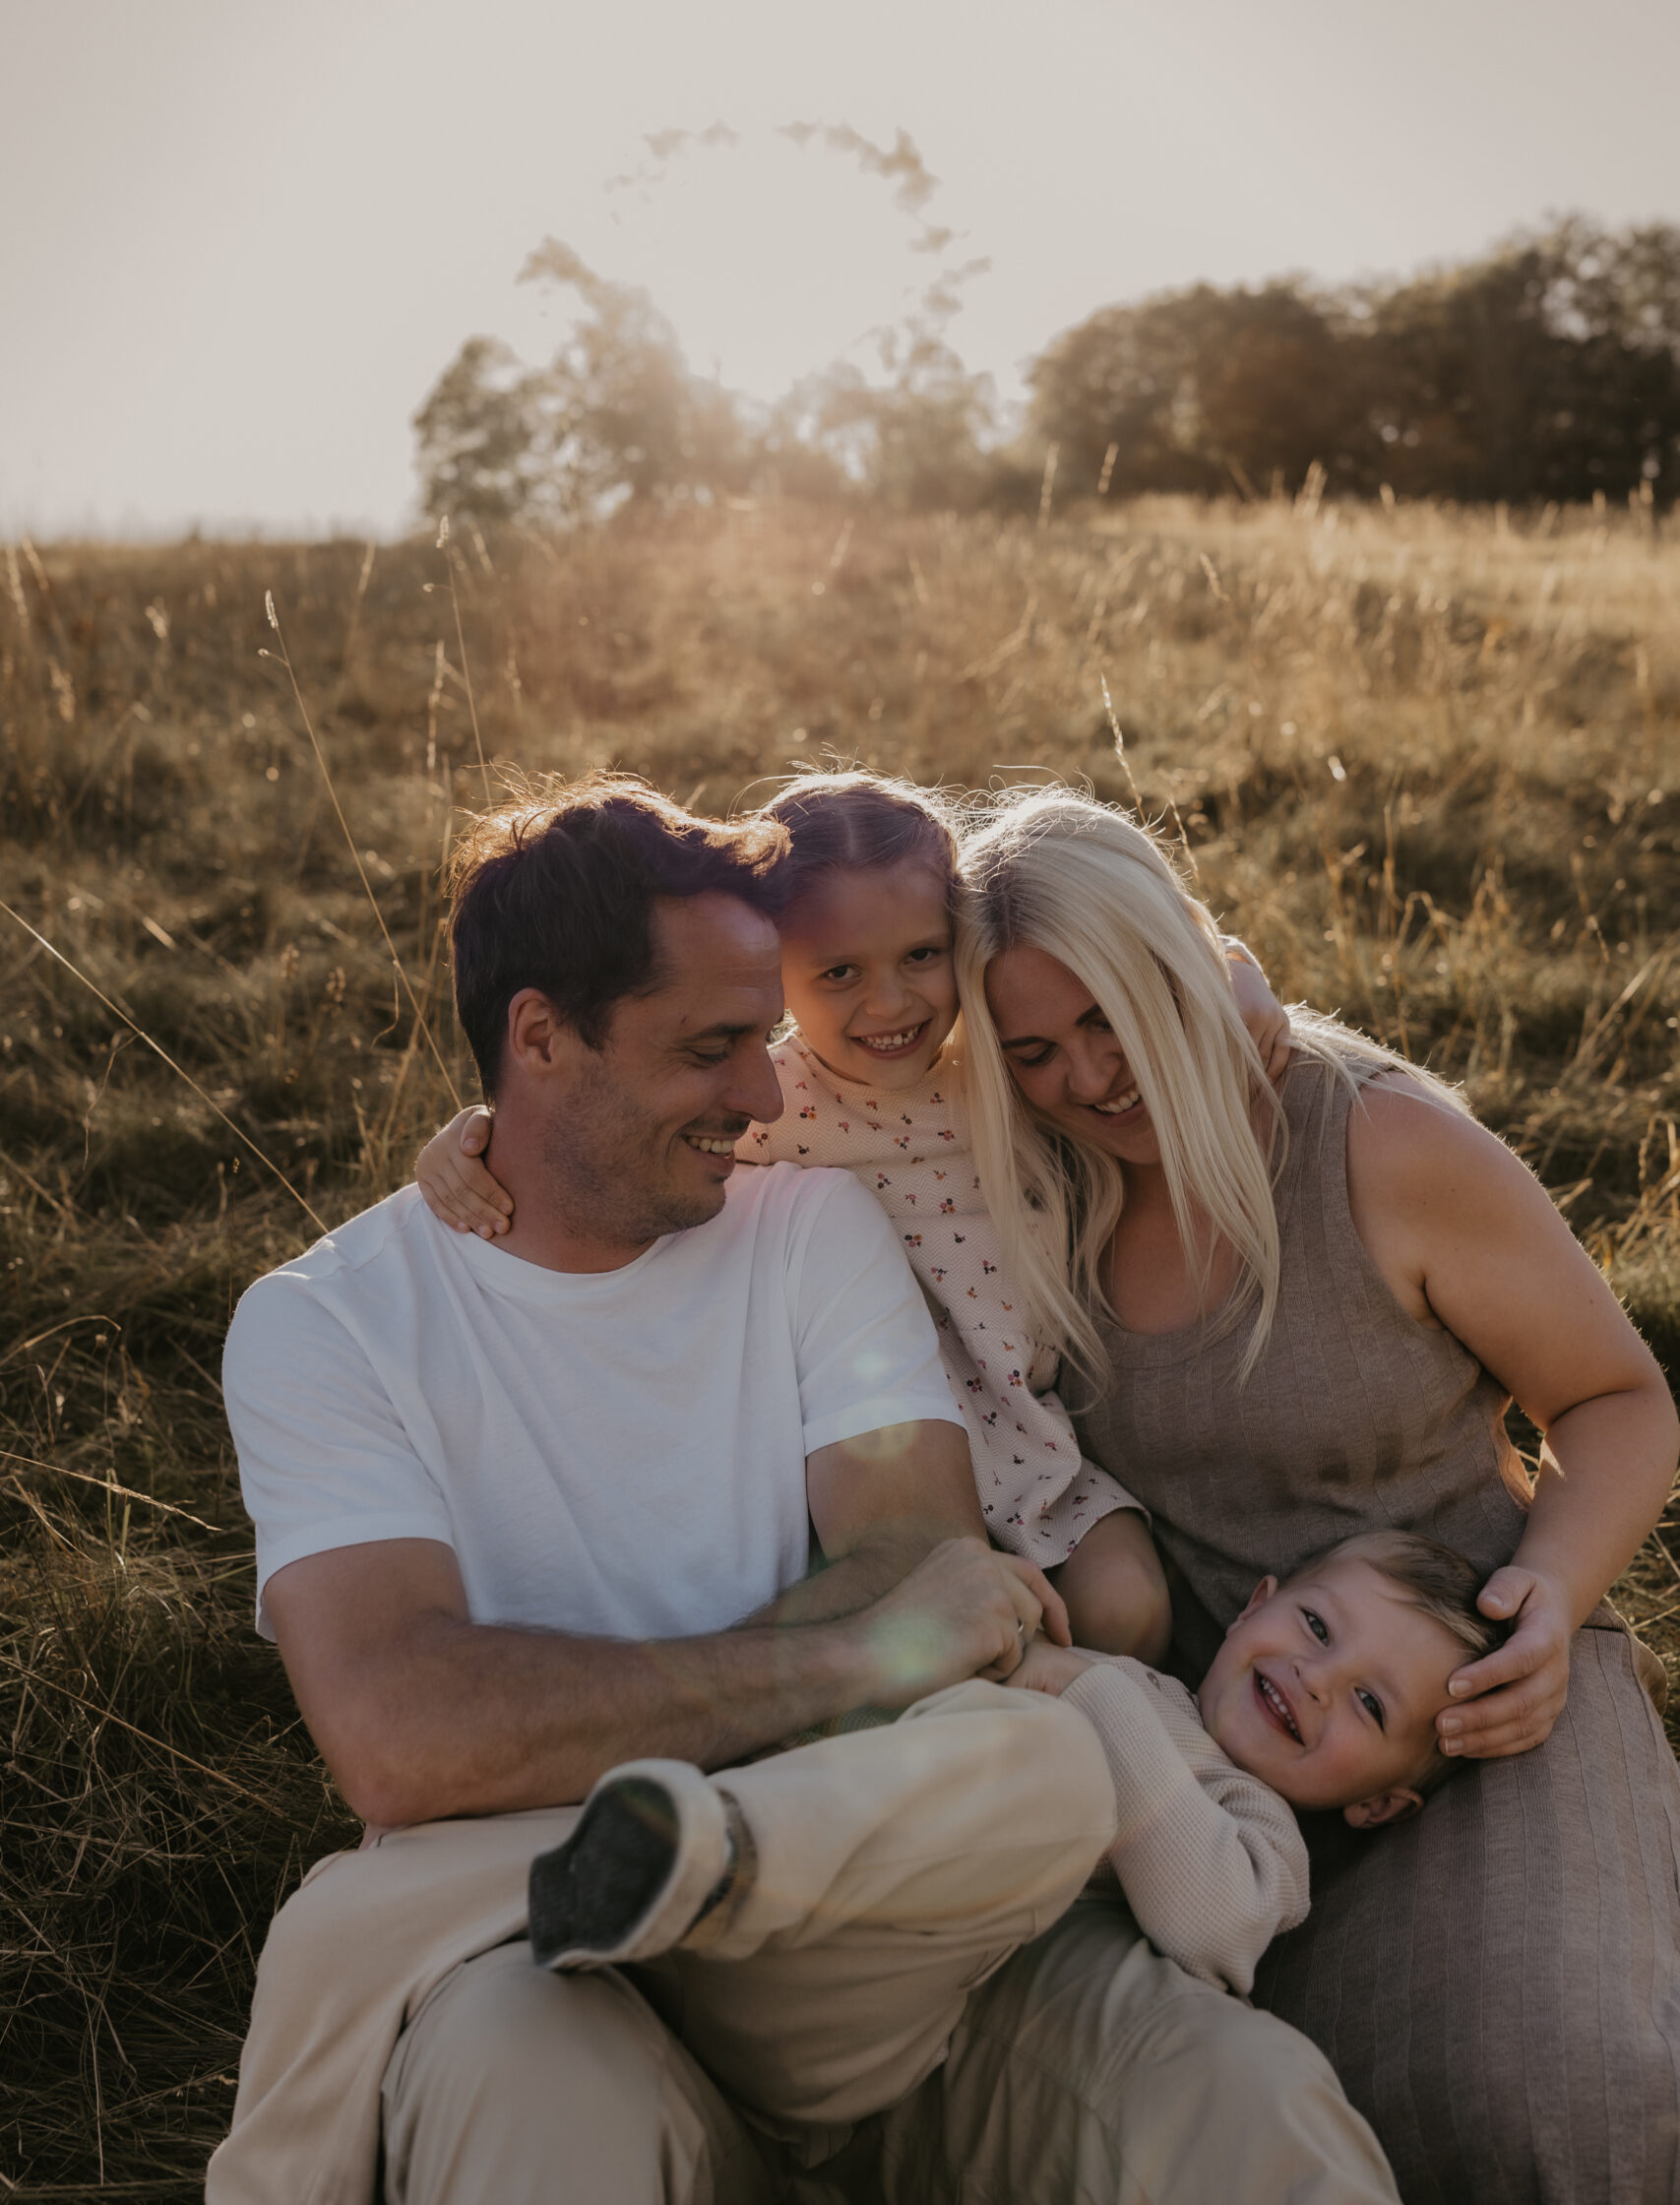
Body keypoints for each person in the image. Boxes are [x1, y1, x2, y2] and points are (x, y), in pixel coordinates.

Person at [209, 772, 1400, 2205]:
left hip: (868, 1945)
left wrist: (561, 1720)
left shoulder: (809, 1225)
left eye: (766, 1038)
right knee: (529, 2114)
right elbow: (405, 1734)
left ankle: (696, 1866)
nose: (768, 1094)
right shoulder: (327, 1324)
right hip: (538, 1955)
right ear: (541, 1038)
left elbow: (923, 1573)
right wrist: (834, 1660)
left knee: (1245, 2106)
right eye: (715, 1048)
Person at [954, 781, 1680, 2205]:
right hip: (1217, 1749)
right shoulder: (1024, 1192)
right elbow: (790, 1083)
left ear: (1179, 959)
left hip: (1479, 1696)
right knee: (1234, 2125)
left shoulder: (1373, 1146)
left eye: (1113, 1015)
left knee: (1560, 2091)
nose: (1088, 1078)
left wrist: (1549, 1605)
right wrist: (475, 1151)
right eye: (1032, 1049)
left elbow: (1616, 1403)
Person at [416, 768, 1288, 1658]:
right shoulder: (765, 1103)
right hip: (850, 1463)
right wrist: (470, 1134)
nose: (890, 1003)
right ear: (773, 972)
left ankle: (1134, 1746)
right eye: (838, 973)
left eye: (920, 954)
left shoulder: (996, 1069)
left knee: (1126, 1609)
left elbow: (1133, 984)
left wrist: (1236, 977)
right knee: (938, 1642)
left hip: (1031, 1442)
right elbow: (605, 1130)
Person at [1011, 1528, 1506, 1998]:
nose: (1315, 1678)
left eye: (1370, 1702)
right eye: (1317, 1627)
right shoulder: (1139, 1677)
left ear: (1379, 1805)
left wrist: (1090, 1691)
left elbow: (1212, 1928)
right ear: (1255, 1608)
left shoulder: (1262, 1832)